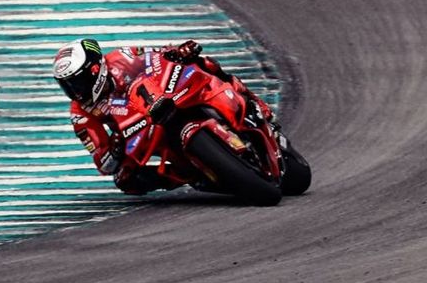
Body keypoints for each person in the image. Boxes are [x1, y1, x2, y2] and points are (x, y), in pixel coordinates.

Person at [52, 38, 271, 195]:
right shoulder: (80, 115)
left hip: (164, 95)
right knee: (125, 181)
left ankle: (251, 102)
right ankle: (190, 176)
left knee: (204, 62)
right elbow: (103, 163)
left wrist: (179, 52)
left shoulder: (123, 56)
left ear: (94, 70)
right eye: (67, 86)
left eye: (76, 82)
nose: (74, 91)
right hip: (140, 129)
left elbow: (158, 54)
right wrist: (116, 150)